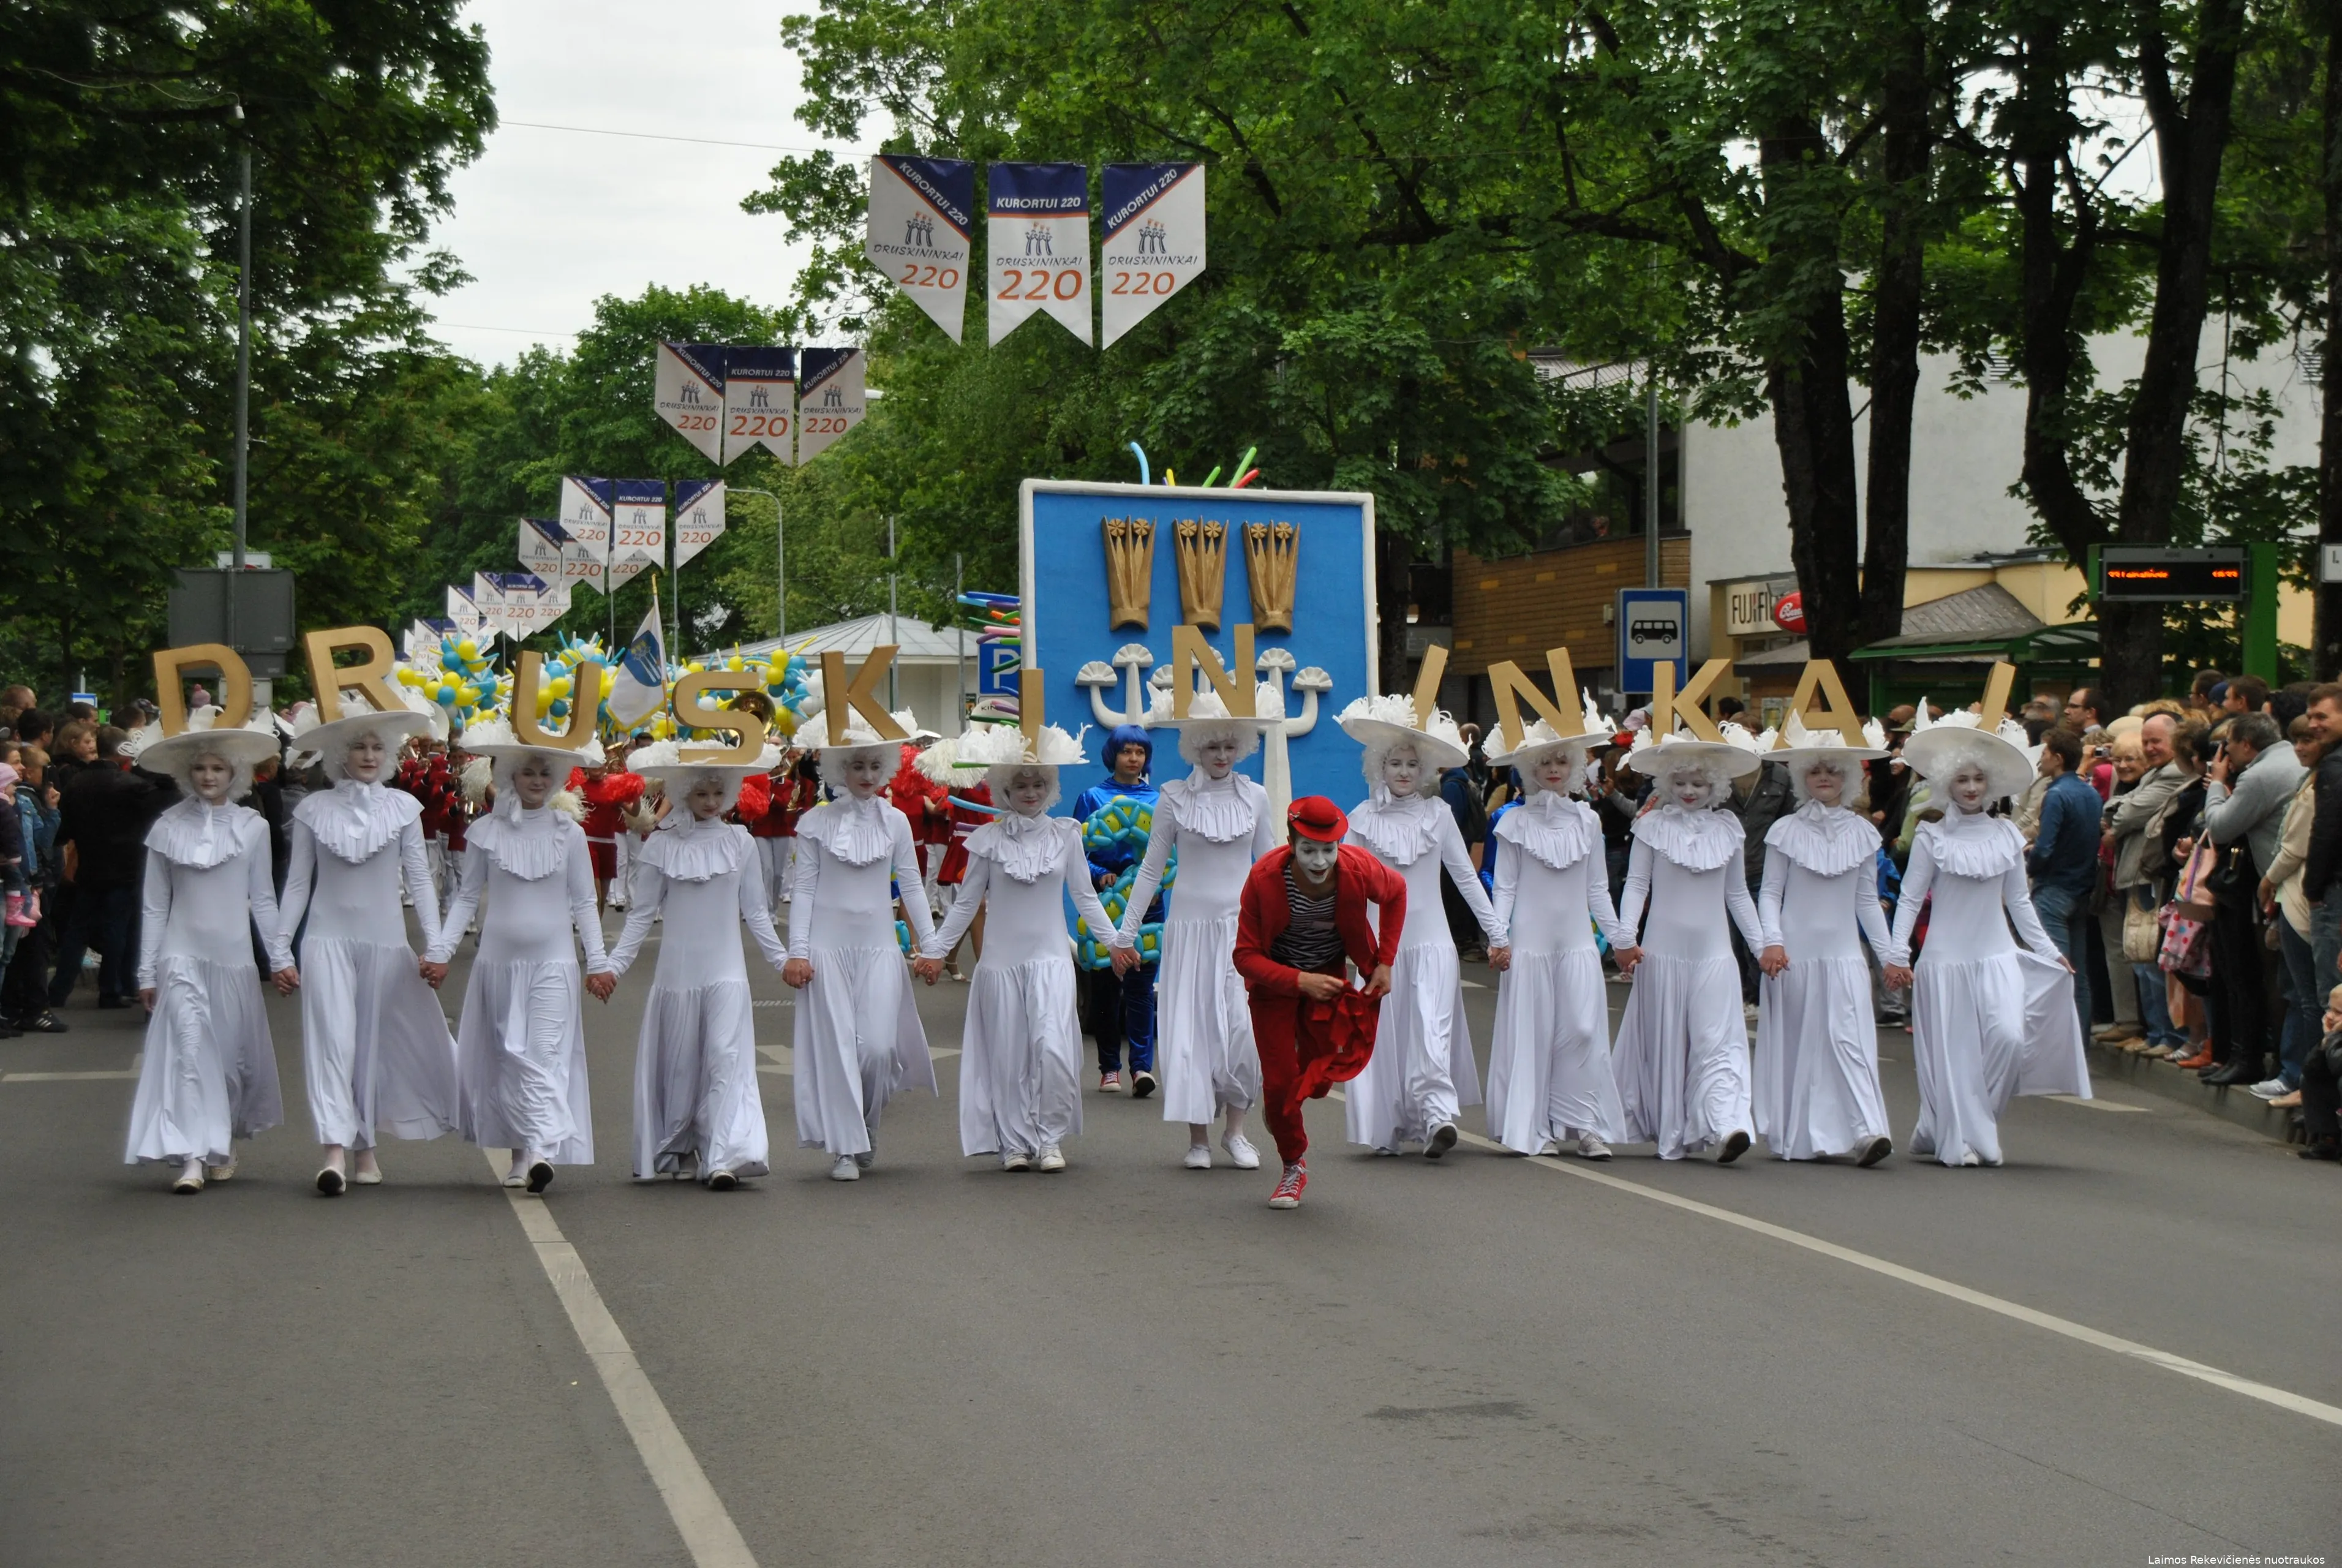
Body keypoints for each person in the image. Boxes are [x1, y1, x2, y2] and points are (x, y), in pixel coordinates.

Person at [1881, 706, 2089, 1166]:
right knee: (1954, 1057)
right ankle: (1959, 1137)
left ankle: (1975, 1123)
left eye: (1979, 779)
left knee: (2009, 1038)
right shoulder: (1931, 837)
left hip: (1997, 956)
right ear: (1946, 783)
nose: (1972, 788)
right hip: (1944, 961)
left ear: (1991, 783)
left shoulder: (2007, 836)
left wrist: (2049, 952)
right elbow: (1909, 899)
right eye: (1962, 779)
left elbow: (2020, 903)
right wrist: (1897, 955)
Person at [422, 720, 617, 1194]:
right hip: (498, 965)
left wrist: (598, 961)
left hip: (553, 963)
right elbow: (466, 898)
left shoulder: (569, 834)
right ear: (508, 774)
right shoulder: (485, 831)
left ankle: (542, 1150)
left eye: (545, 773)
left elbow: (584, 901)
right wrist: (441, 950)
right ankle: (519, 1153)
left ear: (558, 779)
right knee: (508, 1056)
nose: (537, 780)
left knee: (545, 1053)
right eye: (528, 772)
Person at [277, 701, 459, 1195]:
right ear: (340, 753)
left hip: (385, 943)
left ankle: (365, 1149)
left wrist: (437, 945)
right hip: (326, 942)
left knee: (370, 1049)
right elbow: (298, 885)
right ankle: (333, 1152)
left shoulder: (403, 808)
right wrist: (279, 950)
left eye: (378, 746)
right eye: (359, 746)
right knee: (332, 1043)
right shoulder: (314, 810)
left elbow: (420, 880)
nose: (369, 755)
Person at [917, 722, 1115, 1172]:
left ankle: (1050, 1138)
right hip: (1001, 964)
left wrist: (1116, 942)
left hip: (1051, 961)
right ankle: (1014, 1143)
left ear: (1051, 788)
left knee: (1053, 1050)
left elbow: (1085, 898)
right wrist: (935, 951)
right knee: (1008, 1059)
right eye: (1021, 785)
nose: (1030, 792)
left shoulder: (1066, 835)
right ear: (1005, 790)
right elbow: (966, 905)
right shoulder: (987, 841)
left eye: (1038, 784)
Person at [119, 709, 297, 1193]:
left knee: (228, 1062)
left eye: (218, 768)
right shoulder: (166, 827)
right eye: (199, 768)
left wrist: (280, 958)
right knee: (189, 1053)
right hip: (181, 955)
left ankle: (222, 1138)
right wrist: (147, 972)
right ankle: (193, 1157)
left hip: (233, 959)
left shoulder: (252, 827)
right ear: (186, 773)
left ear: (235, 773)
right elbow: (154, 905)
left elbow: (263, 898)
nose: (208, 776)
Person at [1333, 692, 1510, 1159]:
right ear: (1379, 766)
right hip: (1381, 952)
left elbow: (1465, 877)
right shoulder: (1361, 820)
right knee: (1387, 1036)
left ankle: (1436, 1116)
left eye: (1413, 764)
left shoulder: (1439, 815)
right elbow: (1347, 890)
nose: (1404, 772)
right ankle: (1389, 1125)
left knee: (1432, 1028)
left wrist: (1497, 932)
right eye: (1395, 763)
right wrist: (1339, 944)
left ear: (1427, 769)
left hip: (1433, 943)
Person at [1108, 688, 1278, 1170]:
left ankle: (1236, 1133)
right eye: (1212, 746)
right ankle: (1199, 1139)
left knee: (1243, 1030)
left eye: (1229, 746)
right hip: (1189, 931)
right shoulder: (1173, 798)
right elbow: (1150, 869)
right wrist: (1125, 934)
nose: (1222, 755)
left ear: (1241, 747)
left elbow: (1270, 865)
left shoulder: (1256, 797)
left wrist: (1288, 929)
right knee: (1194, 1033)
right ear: (1195, 748)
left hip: (1243, 931)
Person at [609, 741, 791, 1188]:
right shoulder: (661, 845)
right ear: (683, 792)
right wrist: (612, 967)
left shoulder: (741, 842)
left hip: (726, 974)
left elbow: (757, 913)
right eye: (701, 793)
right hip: (677, 977)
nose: (711, 802)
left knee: (726, 1059)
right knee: (681, 1067)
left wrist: (784, 961)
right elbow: (640, 915)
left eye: (718, 793)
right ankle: (682, 1143)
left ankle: (723, 1155)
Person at [783, 707, 939, 1181]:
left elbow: (912, 887)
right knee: (838, 1052)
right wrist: (797, 951)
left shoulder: (896, 822)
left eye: (875, 766)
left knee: (877, 1049)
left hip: (879, 951)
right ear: (838, 768)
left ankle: (867, 1124)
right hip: (826, 952)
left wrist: (932, 946)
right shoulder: (815, 822)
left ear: (886, 768)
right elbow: (804, 889)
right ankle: (846, 1149)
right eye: (856, 766)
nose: (867, 775)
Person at [1480, 704, 1640, 1158]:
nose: (1554, 769)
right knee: (1534, 1035)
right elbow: (1505, 887)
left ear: (1575, 767)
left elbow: (1597, 890)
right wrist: (1498, 937)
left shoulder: (1588, 820)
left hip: (1577, 945)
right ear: (1531, 768)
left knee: (1583, 1030)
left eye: (1562, 761)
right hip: (1529, 945)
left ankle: (1585, 1123)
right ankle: (1536, 1126)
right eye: (1545, 761)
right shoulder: (1513, 821)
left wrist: (1621, 941)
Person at [1232, 796, 1407, 1208]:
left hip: (1328, 983)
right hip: (1276, 986)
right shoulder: (1264, 878)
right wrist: (1299, 981)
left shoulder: (1358, 868)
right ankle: (1293, 1165)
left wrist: (1385, 961)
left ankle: (1284, 1105)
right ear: (1291, 842)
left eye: (1329, 850)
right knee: (1281, 1084)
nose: (1319, 861)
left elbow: (1397, 892)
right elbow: (1245, 957)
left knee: (1320, 1078)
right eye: (1308, 850)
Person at [1612, 725, 1770, 1161]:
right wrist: (1624, 938)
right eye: (1680, 782)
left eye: (1698, 783)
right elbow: (1636, 885)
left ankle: (1726, 1123)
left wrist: (1762, 946)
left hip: (1715, 956)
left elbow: (1738, 894)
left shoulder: (1729, 829)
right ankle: (1675, 1127)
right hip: (1662, 955)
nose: (1688, 791)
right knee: (1669, 1047)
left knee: (1718, 1042)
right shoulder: (1651, 827)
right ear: (1666, 783)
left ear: (1715, 785)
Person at [1753, 715, 1896, 1166]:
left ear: (1848, 777)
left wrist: (1890, 955)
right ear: (1802, 776)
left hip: (1844, 957)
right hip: (1795, 957)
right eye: (1815, 770)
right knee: (1803, 1045)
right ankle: (1803, 1133)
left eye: (1833, 771)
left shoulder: (1863, 833)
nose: (1824, 778)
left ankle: (1867, 1130)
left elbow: (1867, 901)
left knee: (1850, 1039)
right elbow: (1770, 893)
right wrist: (1772, 942)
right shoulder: (1785, 830)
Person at [2192, 711, 2299, 1086]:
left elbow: (2219, 827)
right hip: (2272, 885)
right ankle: (2266, 1062)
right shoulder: (2287, 760)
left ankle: (2258, 1061)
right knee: (2273, 982)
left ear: (2247, 744)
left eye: (2229, 745)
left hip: (2269, 887)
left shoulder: (2258, 774)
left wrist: (2217, 785)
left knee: (2260, 980)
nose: (2225, 754)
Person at [50, 725, 172, 1011]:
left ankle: (58, 990)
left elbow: (65, 828)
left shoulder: (76, 783)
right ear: (122, 751)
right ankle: (111, 989)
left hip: (89, 865)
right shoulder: (133, 786)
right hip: (126, 867)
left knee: (77, 930)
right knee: (117, 929)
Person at [1071, 723, 1159, 1094]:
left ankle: (1142, 1068)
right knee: (1105, 988)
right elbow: (1076, 853)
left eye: (1140, 752)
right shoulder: (1091, 797)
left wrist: (1155, 886)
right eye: (1127, 751)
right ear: (1113, 755)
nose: (1134, 759)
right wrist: (1100, 875)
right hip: (1104, 905)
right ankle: (1109, 1067)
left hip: (1149, 905)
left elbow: (1169, 856)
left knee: (1141, 987)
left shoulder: (1159, 800)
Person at [2254, 715, 2324, 1105]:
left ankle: (2300, 1078)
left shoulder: (2318, 787)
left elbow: (2295, 847)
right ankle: (2294, 1074)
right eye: (2296, 740)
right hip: (2294, 896)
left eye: (2308, 741)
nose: (2300, 748)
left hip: (2298, 899)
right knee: (2298, 992)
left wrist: (2268, 879)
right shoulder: (2309, 781)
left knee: (2306, 996)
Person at [2025, 729, 2103, 1038]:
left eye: (2045, 754)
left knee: (2054, 968)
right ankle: (2079, 1044)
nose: (2041, 760)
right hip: (2081, 888)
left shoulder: (2056, 795)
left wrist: (2031, 863)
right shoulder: (2090, 793)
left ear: (2057, 758)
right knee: (2078, 974)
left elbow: (2045, 847)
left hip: (2054, 888)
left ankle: (2054, 1044)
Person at [576, 750, 646, 914]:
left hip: (608, 845)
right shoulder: (581, 788)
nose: (596, 768)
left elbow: (634, 812)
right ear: (587, 766)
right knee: (596, 895)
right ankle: (590, 929)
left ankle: (597, 929)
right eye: (592, 764)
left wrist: (637, 797)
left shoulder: (613, 789)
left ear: (605, 765)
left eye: (599, 763)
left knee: (603, 897)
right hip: (588, 844)